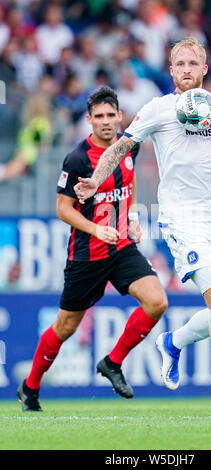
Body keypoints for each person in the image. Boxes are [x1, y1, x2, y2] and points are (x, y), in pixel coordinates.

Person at [74, 38, 211, 415]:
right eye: (179, 63)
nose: (186, 69)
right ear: (171, 71)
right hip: (182, 219)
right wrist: (95, 179)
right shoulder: (159, 110)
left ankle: (172, 342)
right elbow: (119, 148)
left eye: (192, 63)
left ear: (204, 69)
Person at [17, 86, 168, 412]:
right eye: (98, 116)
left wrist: (132, 216)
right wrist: (95, 227)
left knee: (157, 301)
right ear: (89, 120)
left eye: (110, 115)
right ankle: (30, 387)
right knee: (65, 327)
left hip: (122, 247)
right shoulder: (77, 158)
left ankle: (112, 363)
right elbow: (63, 208)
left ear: (119, 116)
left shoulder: (128, 147)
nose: (105, 121)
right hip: (88, 254)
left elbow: (129, 182)